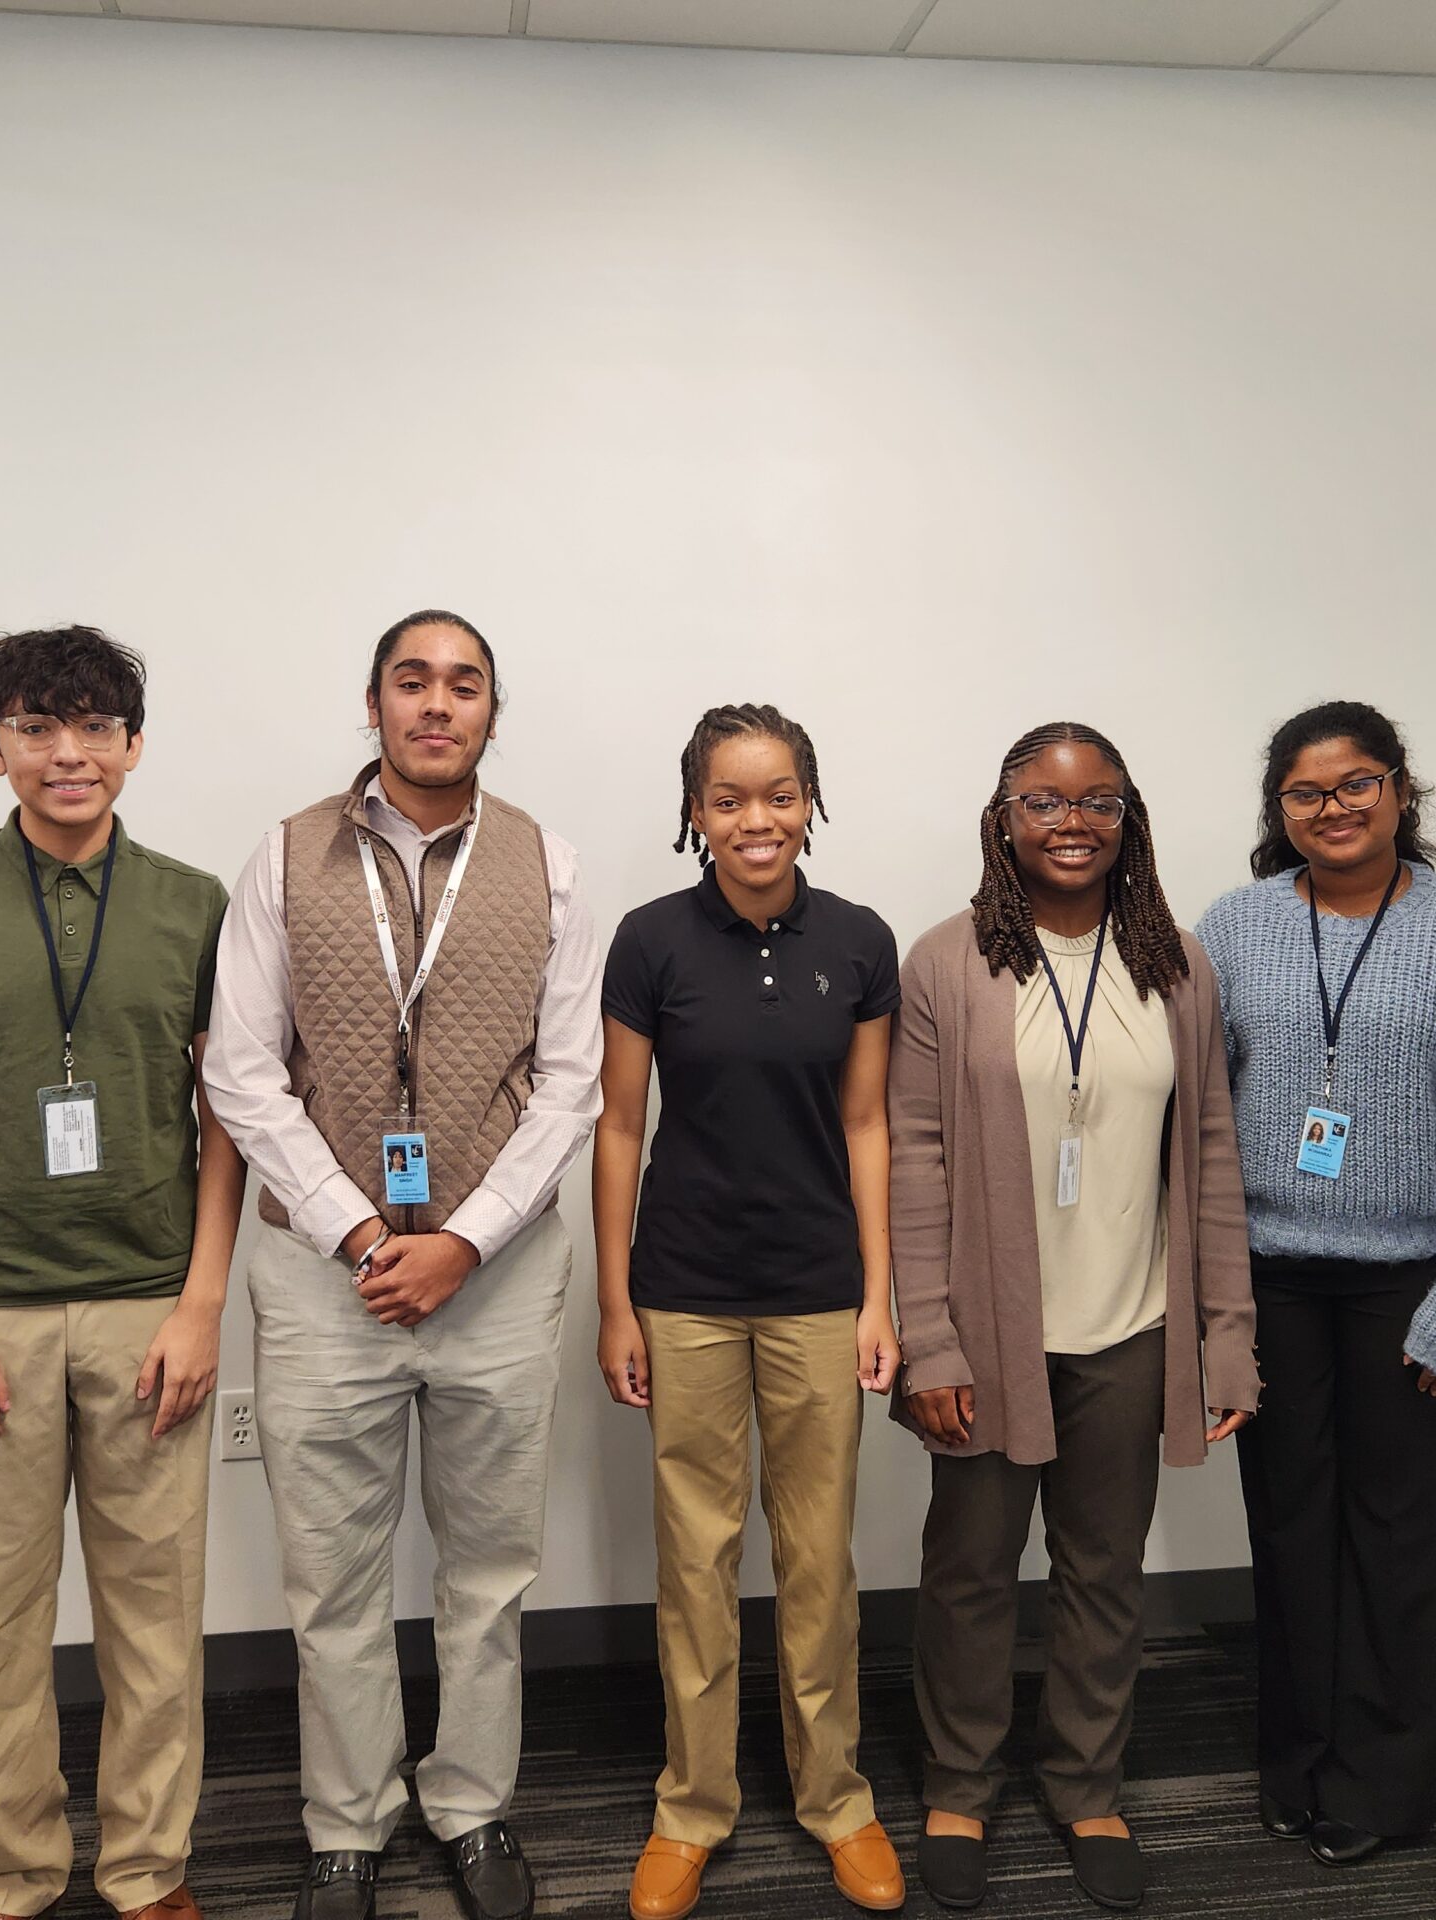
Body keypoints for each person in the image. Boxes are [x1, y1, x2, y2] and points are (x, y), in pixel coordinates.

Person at [203, 610, 603, 1920]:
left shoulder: (549, 863)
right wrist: (367, 1234)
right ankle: (347, 1823)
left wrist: (463, 1240)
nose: (439, 704)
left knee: (491, 1568)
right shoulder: (282, 857)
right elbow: (240, 1072)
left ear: (494, 710)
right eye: (413, 681)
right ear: (372, 704)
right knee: (335, 1577)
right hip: (325, 1279)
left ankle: (474, 1805)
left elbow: (571, 1088)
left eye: (465, 684)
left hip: (499, 1273)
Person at [0, 625, 242, 1920]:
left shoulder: (193, 903)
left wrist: (200, 1304)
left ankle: (149, 1873)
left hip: (148, 1314)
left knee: (156, 1626)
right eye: (34, 727)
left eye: (93, 727)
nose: (66, 752)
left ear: (134, 744)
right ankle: (12, 1877)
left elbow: (228, 1115)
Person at [890, 722, 1259, 1916]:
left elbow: (1207, 1153)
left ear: (1128, 820)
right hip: (991, 1333)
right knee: (970, 1572)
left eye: (1097, 800)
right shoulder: (946, 963)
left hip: (1131, 1326)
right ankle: (957, 1783)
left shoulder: (1176, 965)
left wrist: (1223, 1335)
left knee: (1106, 1573)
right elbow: (912, 1156)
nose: (1070, 821)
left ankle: (1086, 1784)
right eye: (1042, 801)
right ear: (1001, 817)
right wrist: (931, 1339)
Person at [1196, 700, 1436, 1869]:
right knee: (1287, 1529)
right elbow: (1196, 1126)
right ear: (1277, 811)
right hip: (1269, 1282)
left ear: (1401, 789)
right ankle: (1294, 1765)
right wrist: (1210, 1299)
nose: (1332, 809)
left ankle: (1385, 1783)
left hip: (1407, 1286)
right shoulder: (1232, 930)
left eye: (1355, 785)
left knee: (1391, 1538)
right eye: (1305, 793)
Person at [593, 705, 908, 1920]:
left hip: (820, 1292)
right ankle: (692, 1807)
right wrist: (618, 1303)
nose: (755, 820)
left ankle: (838, 1800)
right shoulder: (649, 942)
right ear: (695, 815)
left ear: (809, 801)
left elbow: (867, 1126)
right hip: (684, 1293)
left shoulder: (860, 943)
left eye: (777, 794)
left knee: (821, 1559)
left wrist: (876, 1297)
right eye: (727, 799)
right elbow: (620, 1128)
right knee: (697, 1560)